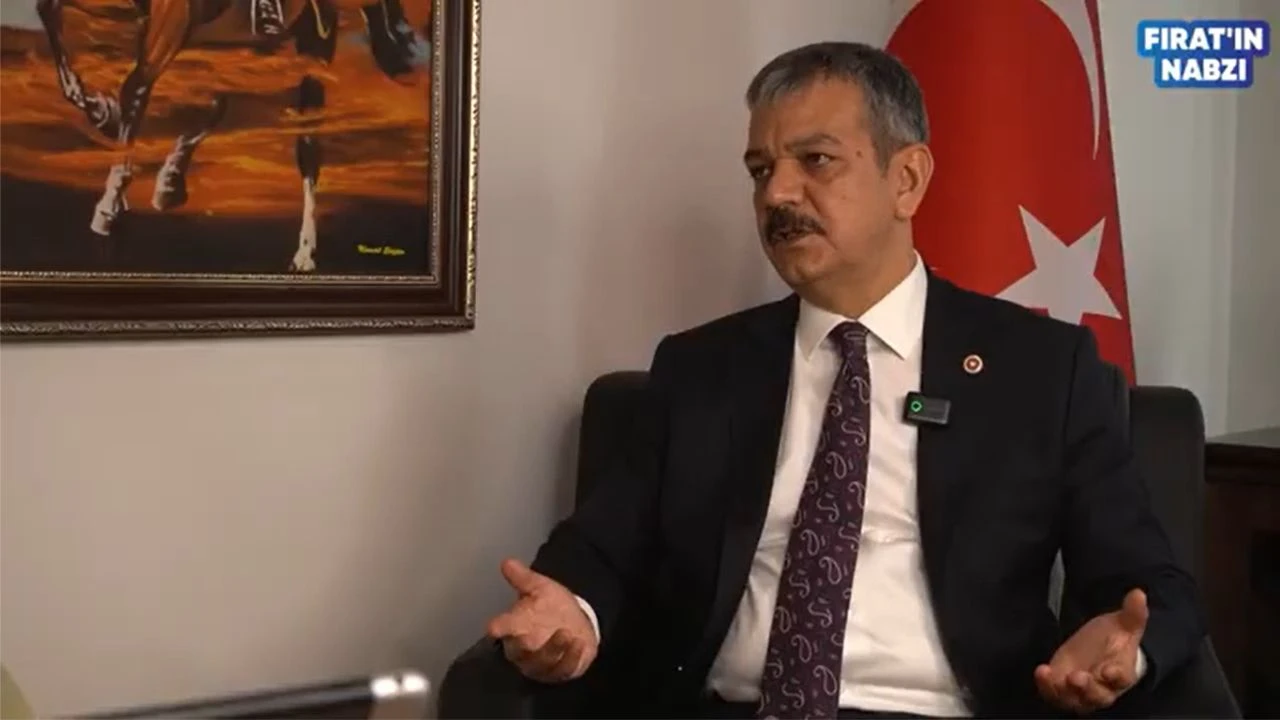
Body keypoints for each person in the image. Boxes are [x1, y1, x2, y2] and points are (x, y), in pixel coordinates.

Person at [485, 41, 1204, 719]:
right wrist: (570, 613)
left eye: (816, 160)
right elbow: (599, 549)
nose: (777, 194)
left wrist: (1126, 648)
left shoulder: (1041, 370)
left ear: (906, 180)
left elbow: (1149, 583)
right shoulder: (701, 368)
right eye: (760, 170)